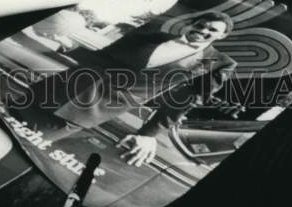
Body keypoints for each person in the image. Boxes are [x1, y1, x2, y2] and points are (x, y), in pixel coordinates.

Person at [19, 11, 236, 168]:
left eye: (212, 29)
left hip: (86, 112)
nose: (204, 30)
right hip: (53, 89)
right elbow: (102, 58)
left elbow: (184, 101)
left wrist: (149, 134)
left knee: (21, 152)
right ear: (191, 24)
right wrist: (67, 44)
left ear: (222, 36)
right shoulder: (151, 36)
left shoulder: (218, 62)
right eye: (201, 24)